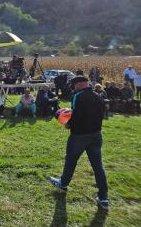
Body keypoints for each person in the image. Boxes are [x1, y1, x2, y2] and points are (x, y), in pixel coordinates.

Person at [48, 76, 109, 210]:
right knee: (98, 166)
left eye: (74, 84)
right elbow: (101, 114)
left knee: (71, 160)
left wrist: (69, 124)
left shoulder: (78, 96)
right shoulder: (98, 95)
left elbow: (76, 115)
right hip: (96, 135)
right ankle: (104, 198)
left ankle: (63, 184)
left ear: (80, 84)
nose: (73, 87)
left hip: (79, 136)